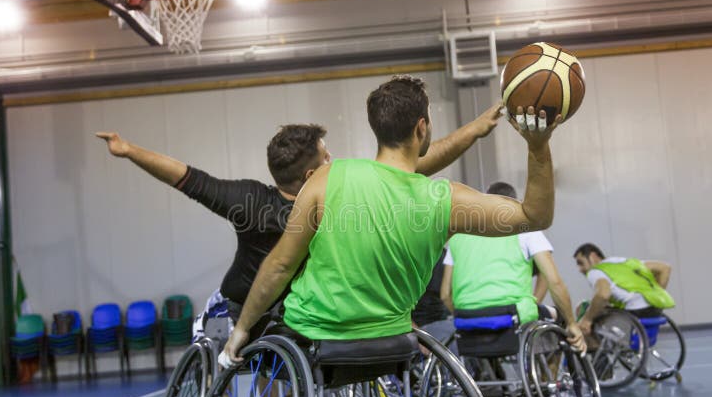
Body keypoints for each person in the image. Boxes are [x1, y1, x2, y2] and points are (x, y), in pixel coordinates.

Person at [220, 75, 565, 366]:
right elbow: (535, 215)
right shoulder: (446, 199)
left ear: (376, 127)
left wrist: (241, 330)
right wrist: (538, 146)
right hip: (392, 341)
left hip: (315, 338)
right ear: (422, 127)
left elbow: (279, 265)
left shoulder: (327, 178)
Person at [97, 103, 503, 342]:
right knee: (229, 361)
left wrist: (474, 131)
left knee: (291, 377)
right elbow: (185, 176)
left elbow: (416, 164)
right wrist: (130, 150)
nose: (334, 160)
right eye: (327, 157)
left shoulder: (332, 190)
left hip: (296, 312)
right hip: (241, 305)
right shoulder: (259, 202)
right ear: (312, 175)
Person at [440, 181, 586, 353]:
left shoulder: (459, 236)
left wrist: (469, 313)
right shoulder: (525, 229)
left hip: (466, 318)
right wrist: (571, 323)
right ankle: (552, 376)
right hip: (513, 315)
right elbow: (554, 281)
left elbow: (445, 294)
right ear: (516, 204)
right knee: (560, 317)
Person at [572, 243, 675, 339]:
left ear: (593, 256)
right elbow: (665, 268)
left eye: (581, 263)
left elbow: (603, 295)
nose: (580, 269)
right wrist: (655, 293)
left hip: (634, 312)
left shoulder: (594, 272)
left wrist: (587, 320)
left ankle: (597, 349)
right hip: (655, 309)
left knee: (584, 308)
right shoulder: (624, 262)